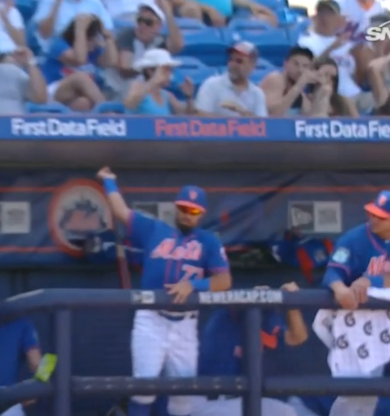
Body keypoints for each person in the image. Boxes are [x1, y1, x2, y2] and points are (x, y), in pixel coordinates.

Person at [96, 166, 232, 416]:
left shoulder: (208, 240)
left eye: (193, 211)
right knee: (143, 390)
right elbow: (121, 212)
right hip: (151, 320)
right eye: (183, 208)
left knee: (184, 399)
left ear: (201, 213)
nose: (187, 214)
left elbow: (224, 280)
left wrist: (193, 284)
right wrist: (109, 182)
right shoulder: (155, 230)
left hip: (185, 324)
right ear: (176, 207)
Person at [322, 190, 390, 416]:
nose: (373, 219)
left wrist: (368, 280)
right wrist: (341, 288)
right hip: (360, 319)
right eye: (372, 213)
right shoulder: (353, 239)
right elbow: (331, 274)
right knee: (359, 387)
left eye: (381, 216)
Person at [190, 282, 307, 416]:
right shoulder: (222, 321)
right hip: (217, 399)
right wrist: (251, 295)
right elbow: (222, 385)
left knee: (288, 411)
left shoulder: (263, 315)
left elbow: (297, 337)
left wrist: (290, 303)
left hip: (253, 398)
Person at [106, 0, 184, 99]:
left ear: (159, 26)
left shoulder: (158, 40)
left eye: (148, 22)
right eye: (139, 20)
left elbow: (178, 46)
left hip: (146, 92)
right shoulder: (128, 35)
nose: (142, 25)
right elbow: (125, 69)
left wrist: (168, 13)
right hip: (119, 90)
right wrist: (150, 71)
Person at [40, 14, 117, 111]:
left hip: (79, 95)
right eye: (92, 38)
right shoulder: (59, 44)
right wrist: (80, 29)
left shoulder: (93, 51)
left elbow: (111, 62)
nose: (95, 41)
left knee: (83, 103)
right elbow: (79, 59)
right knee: (80, 77)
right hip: (55, 91)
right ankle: (108, 112)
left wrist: (107, 37)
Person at [296, 0, 369, 101]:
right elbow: (306, 69)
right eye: (321, 12)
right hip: (330, 98)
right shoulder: (306, 41)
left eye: (330, 14)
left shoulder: (347, 43)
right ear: (315, 16)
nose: (324, 17)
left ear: (338, 18)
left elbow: (358, 73)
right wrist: (332, 47)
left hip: (355, 94)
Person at [194, 41, 267, 117]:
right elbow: (201, 117)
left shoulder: (257, 94)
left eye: (239, 61)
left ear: (252, 66)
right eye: (231, 59)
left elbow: (262, 124)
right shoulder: (212, 85)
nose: (232, 65)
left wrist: (243, 113)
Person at [123, 48, 195, 115]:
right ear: (150, 71)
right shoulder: (137, 86)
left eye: (170, 70)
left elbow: (188, 116)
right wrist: (154, 81)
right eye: (166, 70)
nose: (170, 75)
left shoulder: (166, 95)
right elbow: (130, 104)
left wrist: (188, 97)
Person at [32, 0, 114, 52]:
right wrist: (57, 4)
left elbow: (108, 33)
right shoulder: (49, 1)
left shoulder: (95, 3)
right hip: (58, 50)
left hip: (89, 52)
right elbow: (44, 34)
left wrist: (99, 41)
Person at [260, 46, 314, 116]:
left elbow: (310, 117)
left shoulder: (298, 87)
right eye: (296, 64)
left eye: (305, 66)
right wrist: (299, 85)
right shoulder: (276, 79)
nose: (300, 70)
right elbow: (274, 114)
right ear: (285, 63)